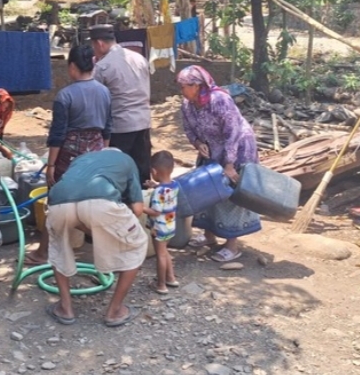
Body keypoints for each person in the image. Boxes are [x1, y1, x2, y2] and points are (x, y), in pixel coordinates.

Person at [25, 44, 112, 266]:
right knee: (90, 204)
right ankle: (107, 249)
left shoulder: (65, 96)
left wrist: (51, 166)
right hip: (96, 155)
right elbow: (107, 129)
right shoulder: (104, 92)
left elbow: (57, 135)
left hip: (69, 159)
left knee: (56, 204)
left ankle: (44, 252)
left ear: (72, 66)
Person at [44, 148, 147, 327]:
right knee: (137, 244)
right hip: (101, 201)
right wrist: (111, 229)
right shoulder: (126, 159)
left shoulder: (82, 159)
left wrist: (92, 227)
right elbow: (137, 210)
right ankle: (115, 311)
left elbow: (76, 205)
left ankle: (65, 308)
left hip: (58, 201)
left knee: (59, 247)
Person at [177, 65, 260, 262]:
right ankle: (209, 236)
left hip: (237, 148)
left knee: (229, 193)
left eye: (184, 86)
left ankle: (232, 245)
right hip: (211, 149)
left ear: (197, 86)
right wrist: (197, 143)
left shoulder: (219, 100)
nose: (181, 90)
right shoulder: (187, 105)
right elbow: (188, 129)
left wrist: (230, 164)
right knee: (206, 189)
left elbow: (233, 132)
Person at [90, 24, 153, 186]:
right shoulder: (139, 58)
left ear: (100, 44)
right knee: (142, 171)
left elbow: (97, 101)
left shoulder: (103, 67)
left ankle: (121, 207)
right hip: (143, 121)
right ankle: (144, 205)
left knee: (119, 173)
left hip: (120, 126)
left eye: (93, 46)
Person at [144, 150, 179, 294]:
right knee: (165, 252)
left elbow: (156, 211)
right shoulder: (174, 185)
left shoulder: (159, 192)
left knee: (160, 255)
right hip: (170, 226)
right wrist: (155, 186)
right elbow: (166, 196)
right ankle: (170, 278)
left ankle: (161, 284)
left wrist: (142, 208)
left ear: (154, 171)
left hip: (159, 228)